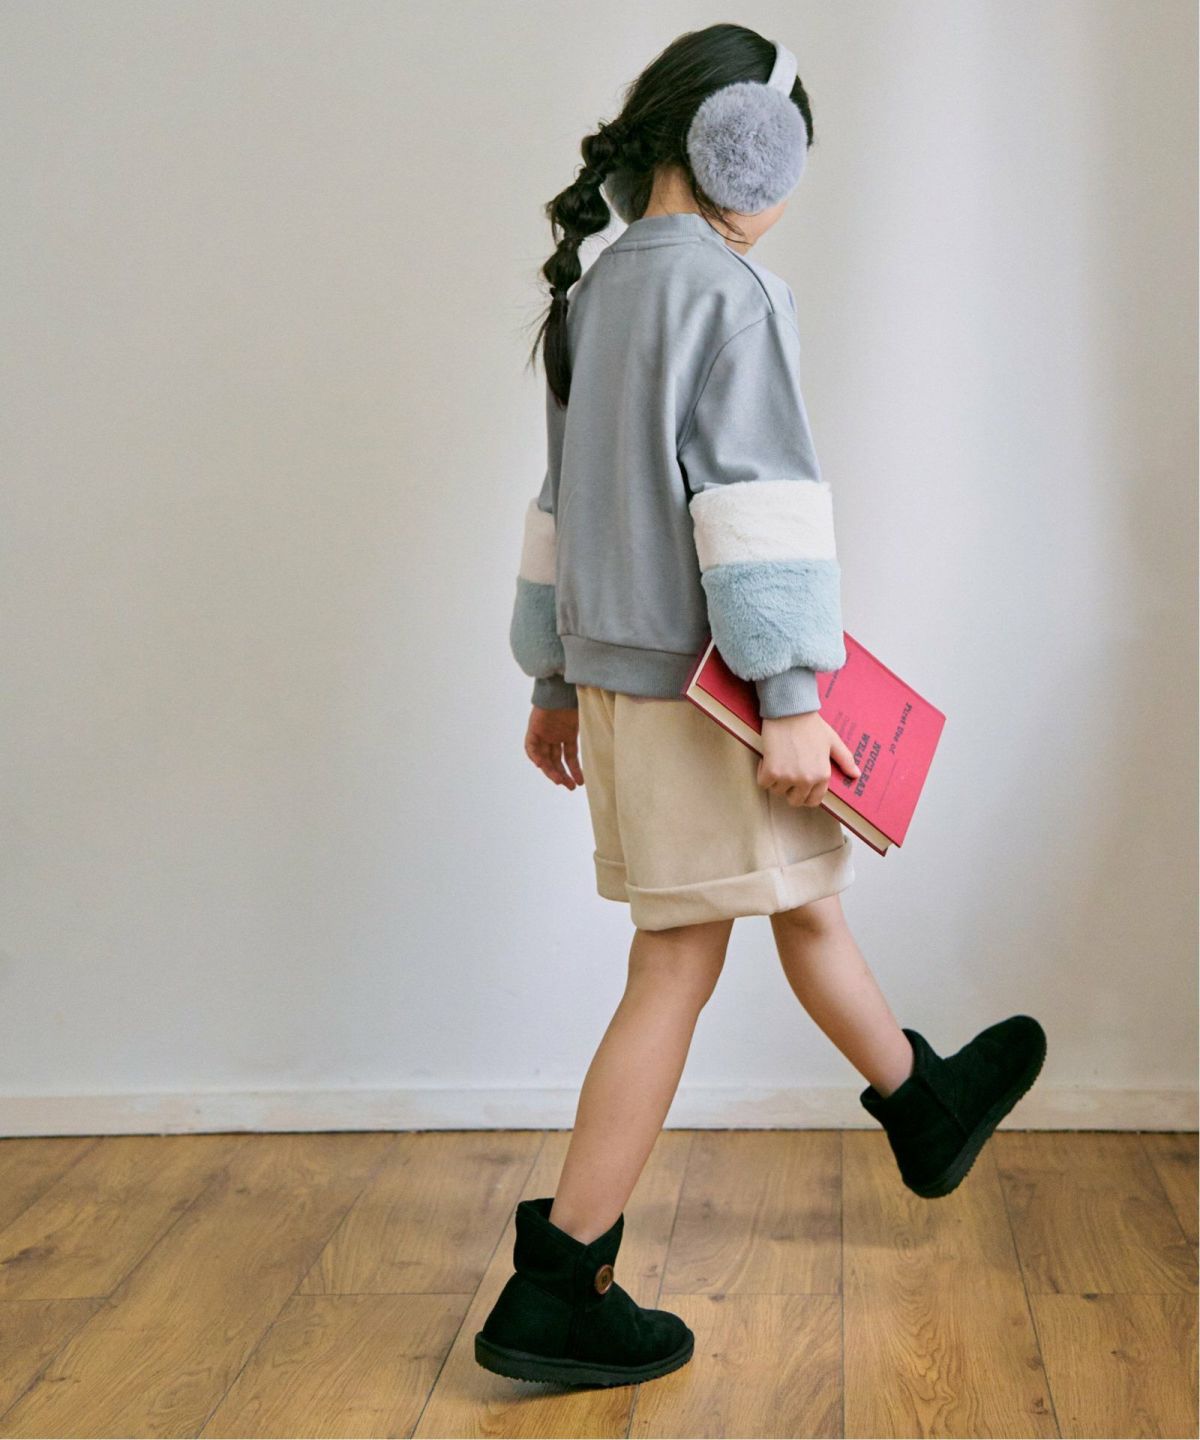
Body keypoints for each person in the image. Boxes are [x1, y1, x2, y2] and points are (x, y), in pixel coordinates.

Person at [476, 22, 1047, 1390]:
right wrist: (792, 696)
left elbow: (559, 512)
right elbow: (758, 510)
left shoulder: (595, 298)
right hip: (711, 694)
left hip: (626, 692)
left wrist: (552, 678)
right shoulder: (733, 296)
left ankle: (922, 1102)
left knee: (806, 902)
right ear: (749, 146)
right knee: (675, 967)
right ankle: (558, 1281)